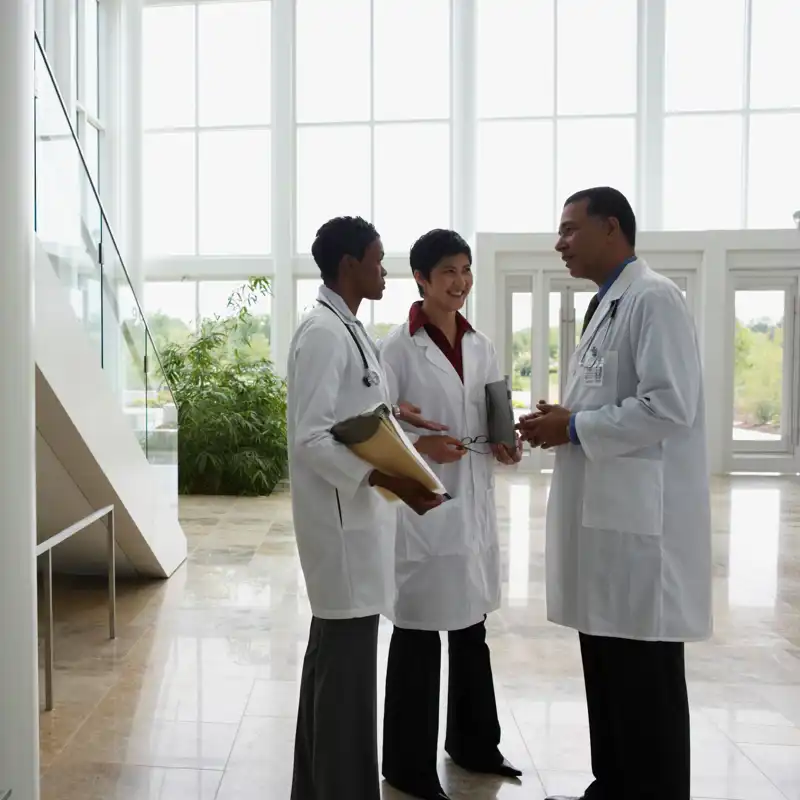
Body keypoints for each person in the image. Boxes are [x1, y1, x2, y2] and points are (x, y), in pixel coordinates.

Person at [516, 188, 712, 800]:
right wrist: (568, 416)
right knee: (607, 671)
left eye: (570, 229)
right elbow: (615, 396)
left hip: (641, 535)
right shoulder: (606, 303)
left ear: (611, 228)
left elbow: (670, 406)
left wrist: (573, 426)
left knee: (643, 682)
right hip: (608, 528)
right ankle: (614, 786)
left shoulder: (654, 298)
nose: (560, 243)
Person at [287, 216, 446, 800]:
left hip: (354, 522)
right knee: (344, 679)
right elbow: (311, 438)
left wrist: (406, 431)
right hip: (339, 529)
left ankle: (319, 787)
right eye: (378, 260)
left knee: (336, 672)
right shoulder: (324, 333)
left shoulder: (346, 326)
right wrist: (388, 478)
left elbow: (358, 414)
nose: (385, 271)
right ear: (349, 263)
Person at [379, 229, 524, 800]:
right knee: (416, 636)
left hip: (474, 503)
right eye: (448, 272)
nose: (460, 283)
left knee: (471, 631)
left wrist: (507, 440)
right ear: (420, 278)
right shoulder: (395, 347)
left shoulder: (482, 345)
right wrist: (422, 451)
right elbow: (380, 428)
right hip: (425, 506)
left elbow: (496, 411)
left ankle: (473, 746)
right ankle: (407, 766)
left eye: (466, 271)